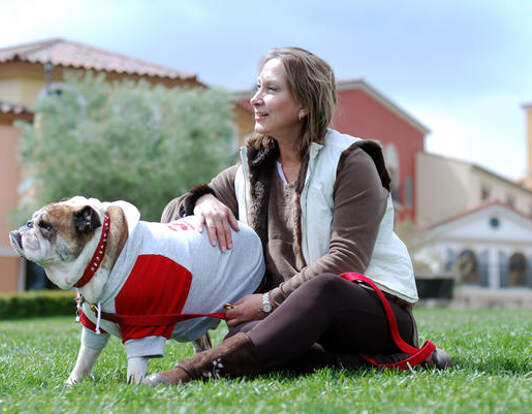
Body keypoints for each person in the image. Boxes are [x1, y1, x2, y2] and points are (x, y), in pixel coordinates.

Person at [145, 47, 451, 385]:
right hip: (291, 314)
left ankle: (190, 372)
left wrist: (266, 302)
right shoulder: (251, 168)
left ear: (305, 104)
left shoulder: (352, 161)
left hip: (371, 310)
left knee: (323, 291)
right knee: (246, 332)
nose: (255, 100)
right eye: (256, 88)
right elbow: (173, 215)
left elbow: (346, 259)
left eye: (271, 90)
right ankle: (371, 361)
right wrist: (203, 200)